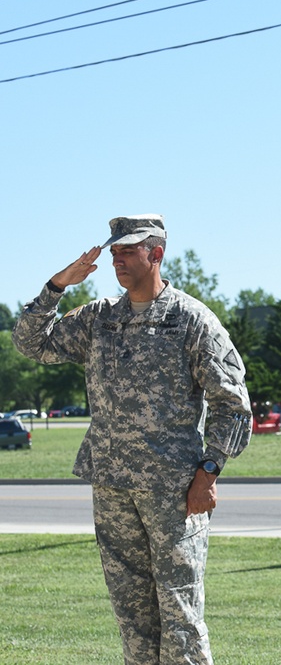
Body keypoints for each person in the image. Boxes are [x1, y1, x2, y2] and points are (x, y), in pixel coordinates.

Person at [13, 214, 253, 665]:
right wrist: (59, 284)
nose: (117, 259)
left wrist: (210, 470)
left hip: (173, 493)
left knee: (179, 619)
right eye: (114, 251)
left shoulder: (191, 320)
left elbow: (233, 403)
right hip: (112, 488)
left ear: (156, 253)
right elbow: (31, 343)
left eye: (128, 250)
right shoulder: (100, 319)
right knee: (133, 621)